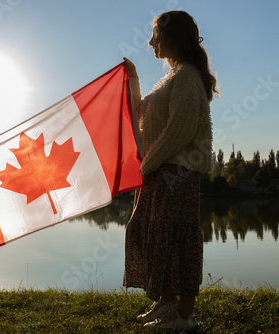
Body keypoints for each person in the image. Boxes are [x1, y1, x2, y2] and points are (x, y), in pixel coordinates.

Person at [122, 10, 218, 331]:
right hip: (160, 172)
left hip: (177, 174)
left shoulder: (187, 77)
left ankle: (184, 317)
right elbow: (139, 113)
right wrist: (133, 78)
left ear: (171, 38)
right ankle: (166, 301)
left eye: (155, 37)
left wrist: (147, 165)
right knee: (154, 238)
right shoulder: (172, 77)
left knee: (179, 241)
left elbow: (181, 128)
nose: (150, 43)